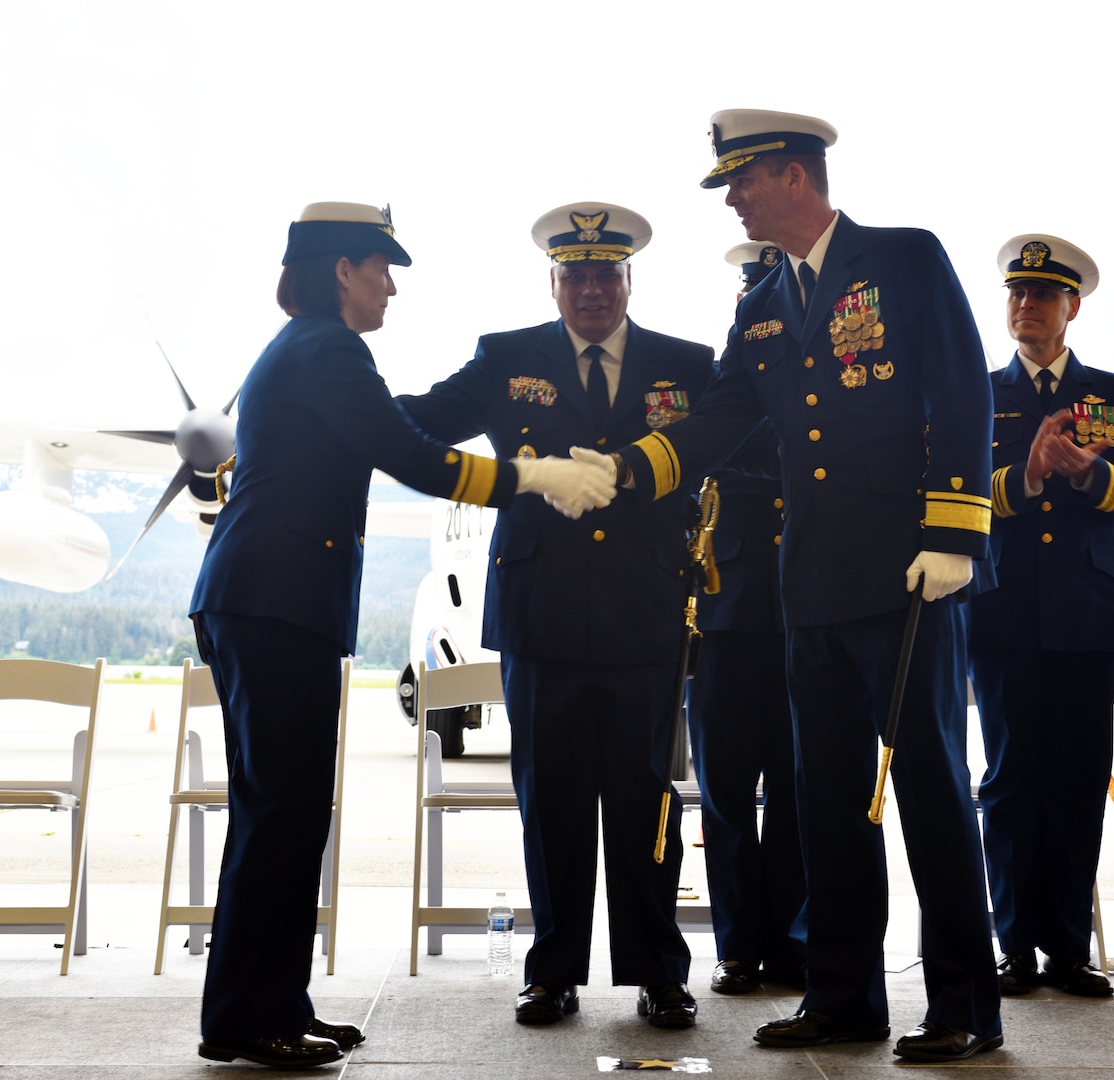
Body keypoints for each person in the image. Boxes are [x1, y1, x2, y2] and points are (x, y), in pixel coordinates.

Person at [597, 110, 1004, 1063]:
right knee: (825, 804)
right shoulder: (764, 302)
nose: (732, 197)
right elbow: (725, 416)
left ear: (791, 174)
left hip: (913, 578)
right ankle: (844, 997)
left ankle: (965, 1007)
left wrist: (954, 531)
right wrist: (628, 468)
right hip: (809, 586)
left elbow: (961, 389)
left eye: (741, 179)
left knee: (933, 794)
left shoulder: (904, 260)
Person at [188, 201, 615, 1069]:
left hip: (269, 602)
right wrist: (536, 475)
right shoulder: (329, 348)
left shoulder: (309, 353)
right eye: (381, 270)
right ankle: (244, 1018)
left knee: (283, 813)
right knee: (281, 814)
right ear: (342, 270)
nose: (389, 288)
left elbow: (399, 433)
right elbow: (416, 457)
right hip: (275, 605)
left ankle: (268, 1003)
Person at [396, 203, 715, 1029]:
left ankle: (659, 973)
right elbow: (416, 424)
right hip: (541, 615)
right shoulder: (507, 360)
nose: (592, 290)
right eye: (575, 274)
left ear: (629, 280)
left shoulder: (685, 366)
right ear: (553, 282)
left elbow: (734, 449)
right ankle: (552, 971)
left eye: (607, 273)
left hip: (645, 615)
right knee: (553, 800)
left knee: (649, 802)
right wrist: (333, 404)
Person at [967, 235, 1114, 998]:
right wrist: (1023, 479)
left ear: (1071, 308)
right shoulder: (978, 392)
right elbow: (952, 498)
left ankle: (1068, 949)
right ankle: (1014, 946)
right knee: (1012, 779)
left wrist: (1094, 474)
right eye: (1017, 294)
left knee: (1079, 778)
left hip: (1088, 615)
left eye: (1043, 296)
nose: (1027, 307)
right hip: (1005, 611)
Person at [687, 241, 806, 997]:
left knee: (800, 790)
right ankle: (736, 945)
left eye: (771, 287)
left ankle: (793, 944)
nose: (757, 301)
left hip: (803, 606)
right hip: (724, 607)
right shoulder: (712, 374)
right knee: (726, 790)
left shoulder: (824, 379)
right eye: (750, 288)